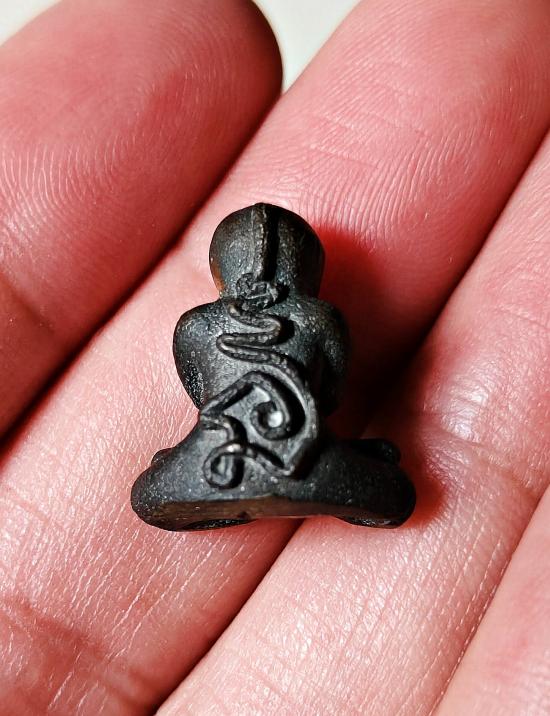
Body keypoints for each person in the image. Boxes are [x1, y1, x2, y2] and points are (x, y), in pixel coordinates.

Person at [0, 0, 548, 713]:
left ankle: (222, 483)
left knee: (162, 480)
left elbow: (202, 392)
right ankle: (312, 482)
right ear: (310, 267)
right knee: (379, 477)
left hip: (215, 456)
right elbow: (333, 390)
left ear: (218, 267)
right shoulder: (319, 316)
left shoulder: (198, 324)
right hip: (303, 453)